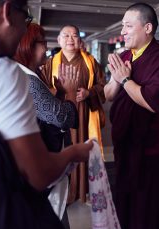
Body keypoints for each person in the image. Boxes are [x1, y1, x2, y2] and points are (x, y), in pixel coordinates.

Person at [0, 0, 92, 229]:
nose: (24, 29)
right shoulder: (3, 70)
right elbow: (38, 173)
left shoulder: (88, 62)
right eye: (25, 19)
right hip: (5, 202)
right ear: (7, 12)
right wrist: (73, 153)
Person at [104, 3, 159, 229]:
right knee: (126, 206)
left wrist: (125, 80)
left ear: (148, 28)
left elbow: (152, 102)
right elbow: (109, 95)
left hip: (153, 153)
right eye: (123, 26)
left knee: (149, 211)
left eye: (129, 26)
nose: (123, 31)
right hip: (127, 147)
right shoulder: (124, 56)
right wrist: (115, 79)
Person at [13, 23, 80, 229]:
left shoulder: (28, 73)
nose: (47, 47)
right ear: (28, 46)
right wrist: (69, 94)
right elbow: (59, 117)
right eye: (43, 42)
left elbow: (47, 111)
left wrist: (60, 95)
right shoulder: (28, 79)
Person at [41, 24, 106, 203]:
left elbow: (102, 85)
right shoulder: (49, 63)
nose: (70, 39)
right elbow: (43, 88)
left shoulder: (90, 62)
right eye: (66, 35)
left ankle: (83, 191)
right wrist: (59, 93)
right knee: (61, 150)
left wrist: (89, 93)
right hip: (58, 115)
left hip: (83, 113)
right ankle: (64, 192)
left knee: (83, 149)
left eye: (74, 35)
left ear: (80, 40)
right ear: (60, 40)